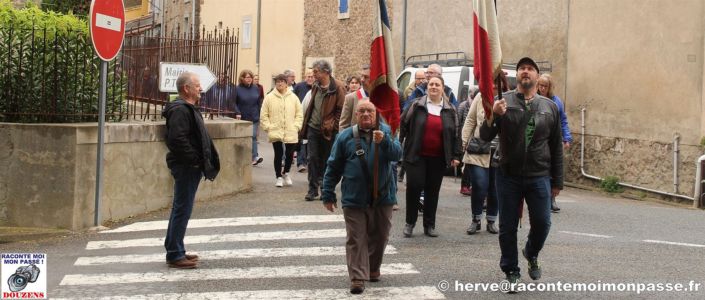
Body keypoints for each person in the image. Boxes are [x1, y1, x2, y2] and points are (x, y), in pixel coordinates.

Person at [479, 57, 563, 291]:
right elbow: (483, 136)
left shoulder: (550, 107)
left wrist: (557, 181)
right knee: (507, 226)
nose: (525, 72)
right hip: (508, 174)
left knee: (543, 223)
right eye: (521, 69)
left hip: (539, 175)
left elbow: (556, 146)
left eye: (530, 69)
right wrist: (494, 115)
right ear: (517, 75)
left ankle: (531, 252)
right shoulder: (502, 102)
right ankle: (511, 270)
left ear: (537, 76)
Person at [321, 100, 401, 294]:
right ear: (356, 115)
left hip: (383, 197)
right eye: (362, 111)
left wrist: (385, 142)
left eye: (370, 111)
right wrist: (328, 193)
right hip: (354, 198)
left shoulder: (387, 131)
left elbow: (397, 155)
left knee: (380, 237)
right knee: (357, 238)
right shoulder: (345, 137)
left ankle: (373, 268)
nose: (366, 114)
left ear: (376, 114)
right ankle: (357, 277)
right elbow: (333, 166)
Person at [161, 72, 220, 269]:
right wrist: (194, 161)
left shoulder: (185, 108)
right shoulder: (180, 110)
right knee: (182, 209)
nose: (200, 88)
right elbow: (177, 140)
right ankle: (175, 253)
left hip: (188, 166)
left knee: (181, 208)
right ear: (186, 88)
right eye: (196, 85)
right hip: (186, 167)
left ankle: (175, 248)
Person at [400, 75, 462, 237]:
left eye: (437, 85)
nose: (434, 87)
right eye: (431, 84)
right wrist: (399, 146)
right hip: (416, 155)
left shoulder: (451, 110)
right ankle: (410, 223)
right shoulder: (417, 105)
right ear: (427, 88)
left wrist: (456, 155)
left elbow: (456, 134)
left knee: (432, 191)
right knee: (414, 186)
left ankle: (429, 225)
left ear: (443, 88)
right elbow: (403, 124)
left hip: (438, 158)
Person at [299, 59, 346, 201]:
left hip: (329, 130)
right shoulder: (315, 86)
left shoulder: (338, 87)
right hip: (313, 128)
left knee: (327, 160)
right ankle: (312, 189)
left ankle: (326, 189)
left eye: (316, 71)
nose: (313, 74)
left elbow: (341, 110)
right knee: (312, 158)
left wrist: (334, 127)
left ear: (325, 72)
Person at [461, 91, 499, 235]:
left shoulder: (507, 97)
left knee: (495, 188)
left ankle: (491, 220)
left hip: (499, 151)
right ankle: (476, 219)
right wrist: (464, 141)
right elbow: (471, 119)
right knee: (479, 184)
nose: (494, 85)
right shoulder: (481, 96)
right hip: (479, 148)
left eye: (497, 82)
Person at [537, 73, 573, 212]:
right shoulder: (534, 99)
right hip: (540, 139)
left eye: (545, 86)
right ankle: (542, 197)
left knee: (554, 168)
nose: (542, 88)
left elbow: (563, 121)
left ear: (550, 87)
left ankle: (552, 199)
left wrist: (566, 138)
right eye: (540, 85)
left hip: (554, 139)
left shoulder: (556, 102)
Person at [260, 74, 303, 187]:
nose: (280, 83)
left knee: (290, 154)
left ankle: (286, 172)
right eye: (278, 81)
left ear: (286, 83)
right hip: (275, 129)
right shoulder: (269, 97)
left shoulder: (293, 97)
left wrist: (296, 126)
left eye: (282, 81)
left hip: (290, 130)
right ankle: (278, 176)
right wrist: (268, 127)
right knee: (278, 154)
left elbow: (299, 113)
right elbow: (264, 114)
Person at [235, 70, 264, 166]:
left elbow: (258, 102)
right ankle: (244, 156)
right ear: (242, 78)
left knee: (253, 137)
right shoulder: (237, 89)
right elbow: (233, 102)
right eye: (247, 77)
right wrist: (237, 112)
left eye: (250, 77)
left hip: (254, 116)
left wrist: (260, 114)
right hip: (242, 117)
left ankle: (254, 157)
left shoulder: (256, 88)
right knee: (243, 138)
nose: (249, 79)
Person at [293, 69, 315, 173]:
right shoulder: (299, 86)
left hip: (312, 119)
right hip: (300, 116)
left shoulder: (317, 88)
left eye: (312, 77)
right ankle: (301, 163)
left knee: (309, 142)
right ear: (305, 77)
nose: (310, 78)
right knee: (302, 140)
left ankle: (308, 162)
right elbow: (293, 99)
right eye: (308, 76)